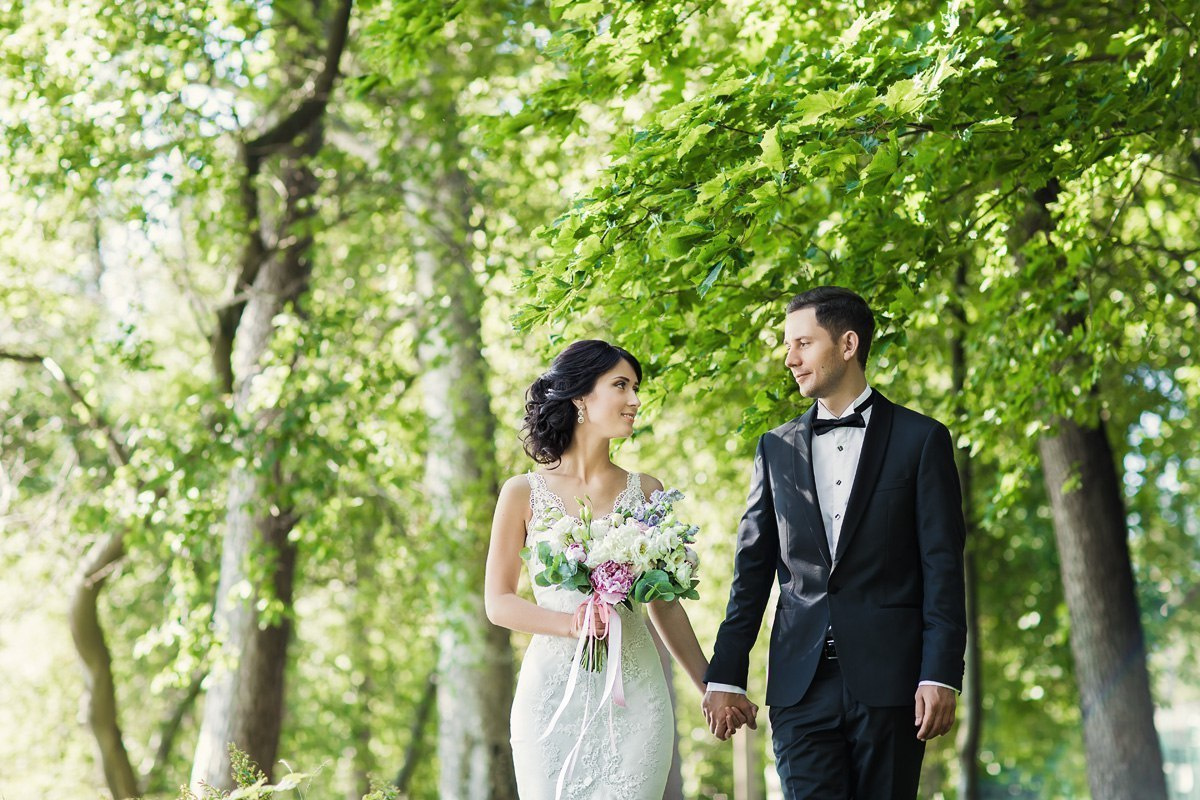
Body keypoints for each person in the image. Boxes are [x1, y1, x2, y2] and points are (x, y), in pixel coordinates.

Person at [702, 287, 967, 799]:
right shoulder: (774, 448)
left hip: (892, 684)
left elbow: (943, 568)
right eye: (788, 345)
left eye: (803, 343)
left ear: (848, 344)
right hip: (799, 687)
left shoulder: (921, 440)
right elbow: (751, 572)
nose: (790, 359)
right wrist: (726, 675)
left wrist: (940, 672)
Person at [485, 339, 745, 799]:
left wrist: (712, 686)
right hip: (551, 701)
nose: (635, 400)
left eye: (635, 387)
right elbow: (499, 602)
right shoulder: (522, 492)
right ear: (580, 398)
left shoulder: (647, 492)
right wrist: (571, 623)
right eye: (621, 386)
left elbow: (665, 606)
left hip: (636, 698)